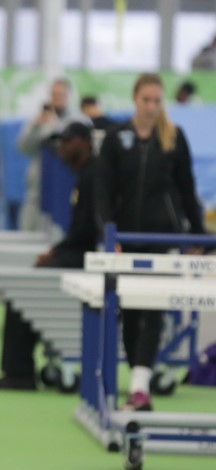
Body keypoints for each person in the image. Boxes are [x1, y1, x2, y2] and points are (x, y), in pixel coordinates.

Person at [95, 73, 204, 411]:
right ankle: (137, 382)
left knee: (153, 310)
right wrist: (107, 232)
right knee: (130, 313)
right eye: (146, 100)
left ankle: (140, 388)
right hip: (126, 239)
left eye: (157, 101)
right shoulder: (116, 138)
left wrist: (198, 234)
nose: (151, 107)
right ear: (134, 99)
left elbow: (187, 189)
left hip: (162, 237)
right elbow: (102, 191)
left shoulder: (174, 138)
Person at [0, 121, 99, 390]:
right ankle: (19, 369)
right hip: (79, 253)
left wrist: (55, 252)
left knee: (23, 291)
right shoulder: (84, 175)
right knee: (25, 286)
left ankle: (19, 372)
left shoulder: (94, 176)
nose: (61, 147)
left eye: (67, 141)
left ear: (84, 143)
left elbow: (86, 233)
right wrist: (54, 251)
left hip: (89, 259)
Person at [17, 78, 82, 235]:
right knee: (28, 230)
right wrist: (35, 126)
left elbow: (68, 147)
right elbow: (22, 147)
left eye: (61, 94)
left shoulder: (77, 121)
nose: (56, 98)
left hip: (65, 188)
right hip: (38, 189)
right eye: (53, 94)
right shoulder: (39, 119)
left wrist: (54, 125)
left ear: (68, 96)